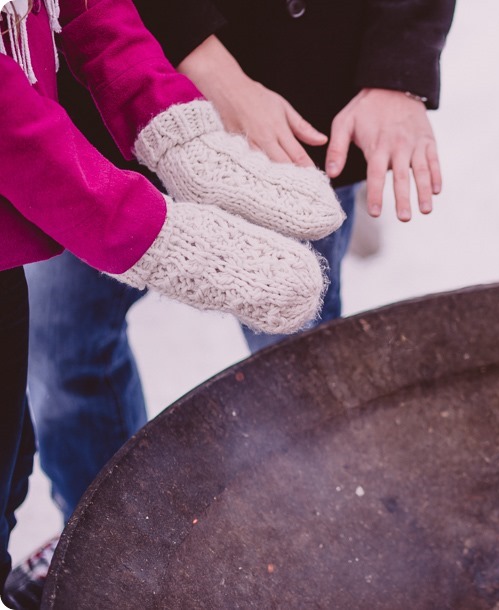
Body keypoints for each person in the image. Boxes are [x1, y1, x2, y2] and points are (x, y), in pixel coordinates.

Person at [7, 0, 455, 607]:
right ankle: (110, 553)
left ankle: (321, 547)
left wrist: (397, 68)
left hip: (286, 98)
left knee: (296, 360)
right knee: (65, 355)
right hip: (63, 125)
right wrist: (205, 65)